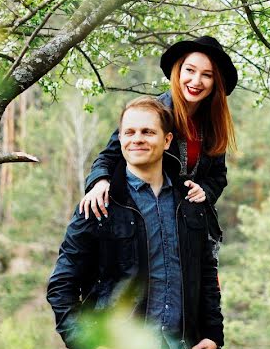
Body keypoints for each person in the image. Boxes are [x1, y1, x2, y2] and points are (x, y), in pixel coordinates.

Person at [47, 97, 224, 349]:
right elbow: (61, 286)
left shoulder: (189, 201)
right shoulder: (98, 206)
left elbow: (206, 272)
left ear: (167, 139)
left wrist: (212, 334)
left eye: (147, 131)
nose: (137, 139)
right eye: (129, 132)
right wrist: (86, 348)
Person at [79, 35, 237, 221]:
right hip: (142, 214)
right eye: (190, 70)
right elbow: (108, 157)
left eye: (207, 75)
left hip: (190, 222)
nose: (196, 81)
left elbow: (218, 176)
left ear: (215, 81)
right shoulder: (152, 112)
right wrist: (99, 182)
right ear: (178, 72)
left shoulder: (213, 123)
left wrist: (205, 191)